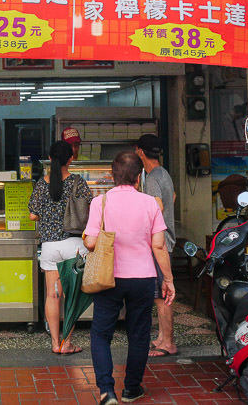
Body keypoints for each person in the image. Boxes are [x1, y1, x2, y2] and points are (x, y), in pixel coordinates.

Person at [84, 152, 175, 405]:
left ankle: (106, 391)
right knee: (138, 335)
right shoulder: (149, 204)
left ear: (112, 177)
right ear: (138, 177)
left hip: (108, 278)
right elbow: (159, 246)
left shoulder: (99, 203)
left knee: (101, 334)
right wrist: (168, 279)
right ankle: (131, 389)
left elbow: (91, 242)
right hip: (143, 278)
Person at [28, 140, 93, 354]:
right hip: (73, 246)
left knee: (52, 296)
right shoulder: (77, 182)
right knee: (71, 296)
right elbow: (89, 209)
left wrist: (47, 215)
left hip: (50, 247)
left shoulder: (43, 183)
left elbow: (32, 214)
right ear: (71, 158)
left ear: (49, 157)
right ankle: (67, 343)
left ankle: (55, 343)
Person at [135, 134, 177, 357]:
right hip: (167, 239)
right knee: (161, 295)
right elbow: (173, 198)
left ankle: (167, 343)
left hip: (160, 242)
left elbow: (157, 206)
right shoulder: (163, 173)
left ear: (140, 151)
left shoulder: (151, 177)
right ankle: (162, 337)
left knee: (162, 297)